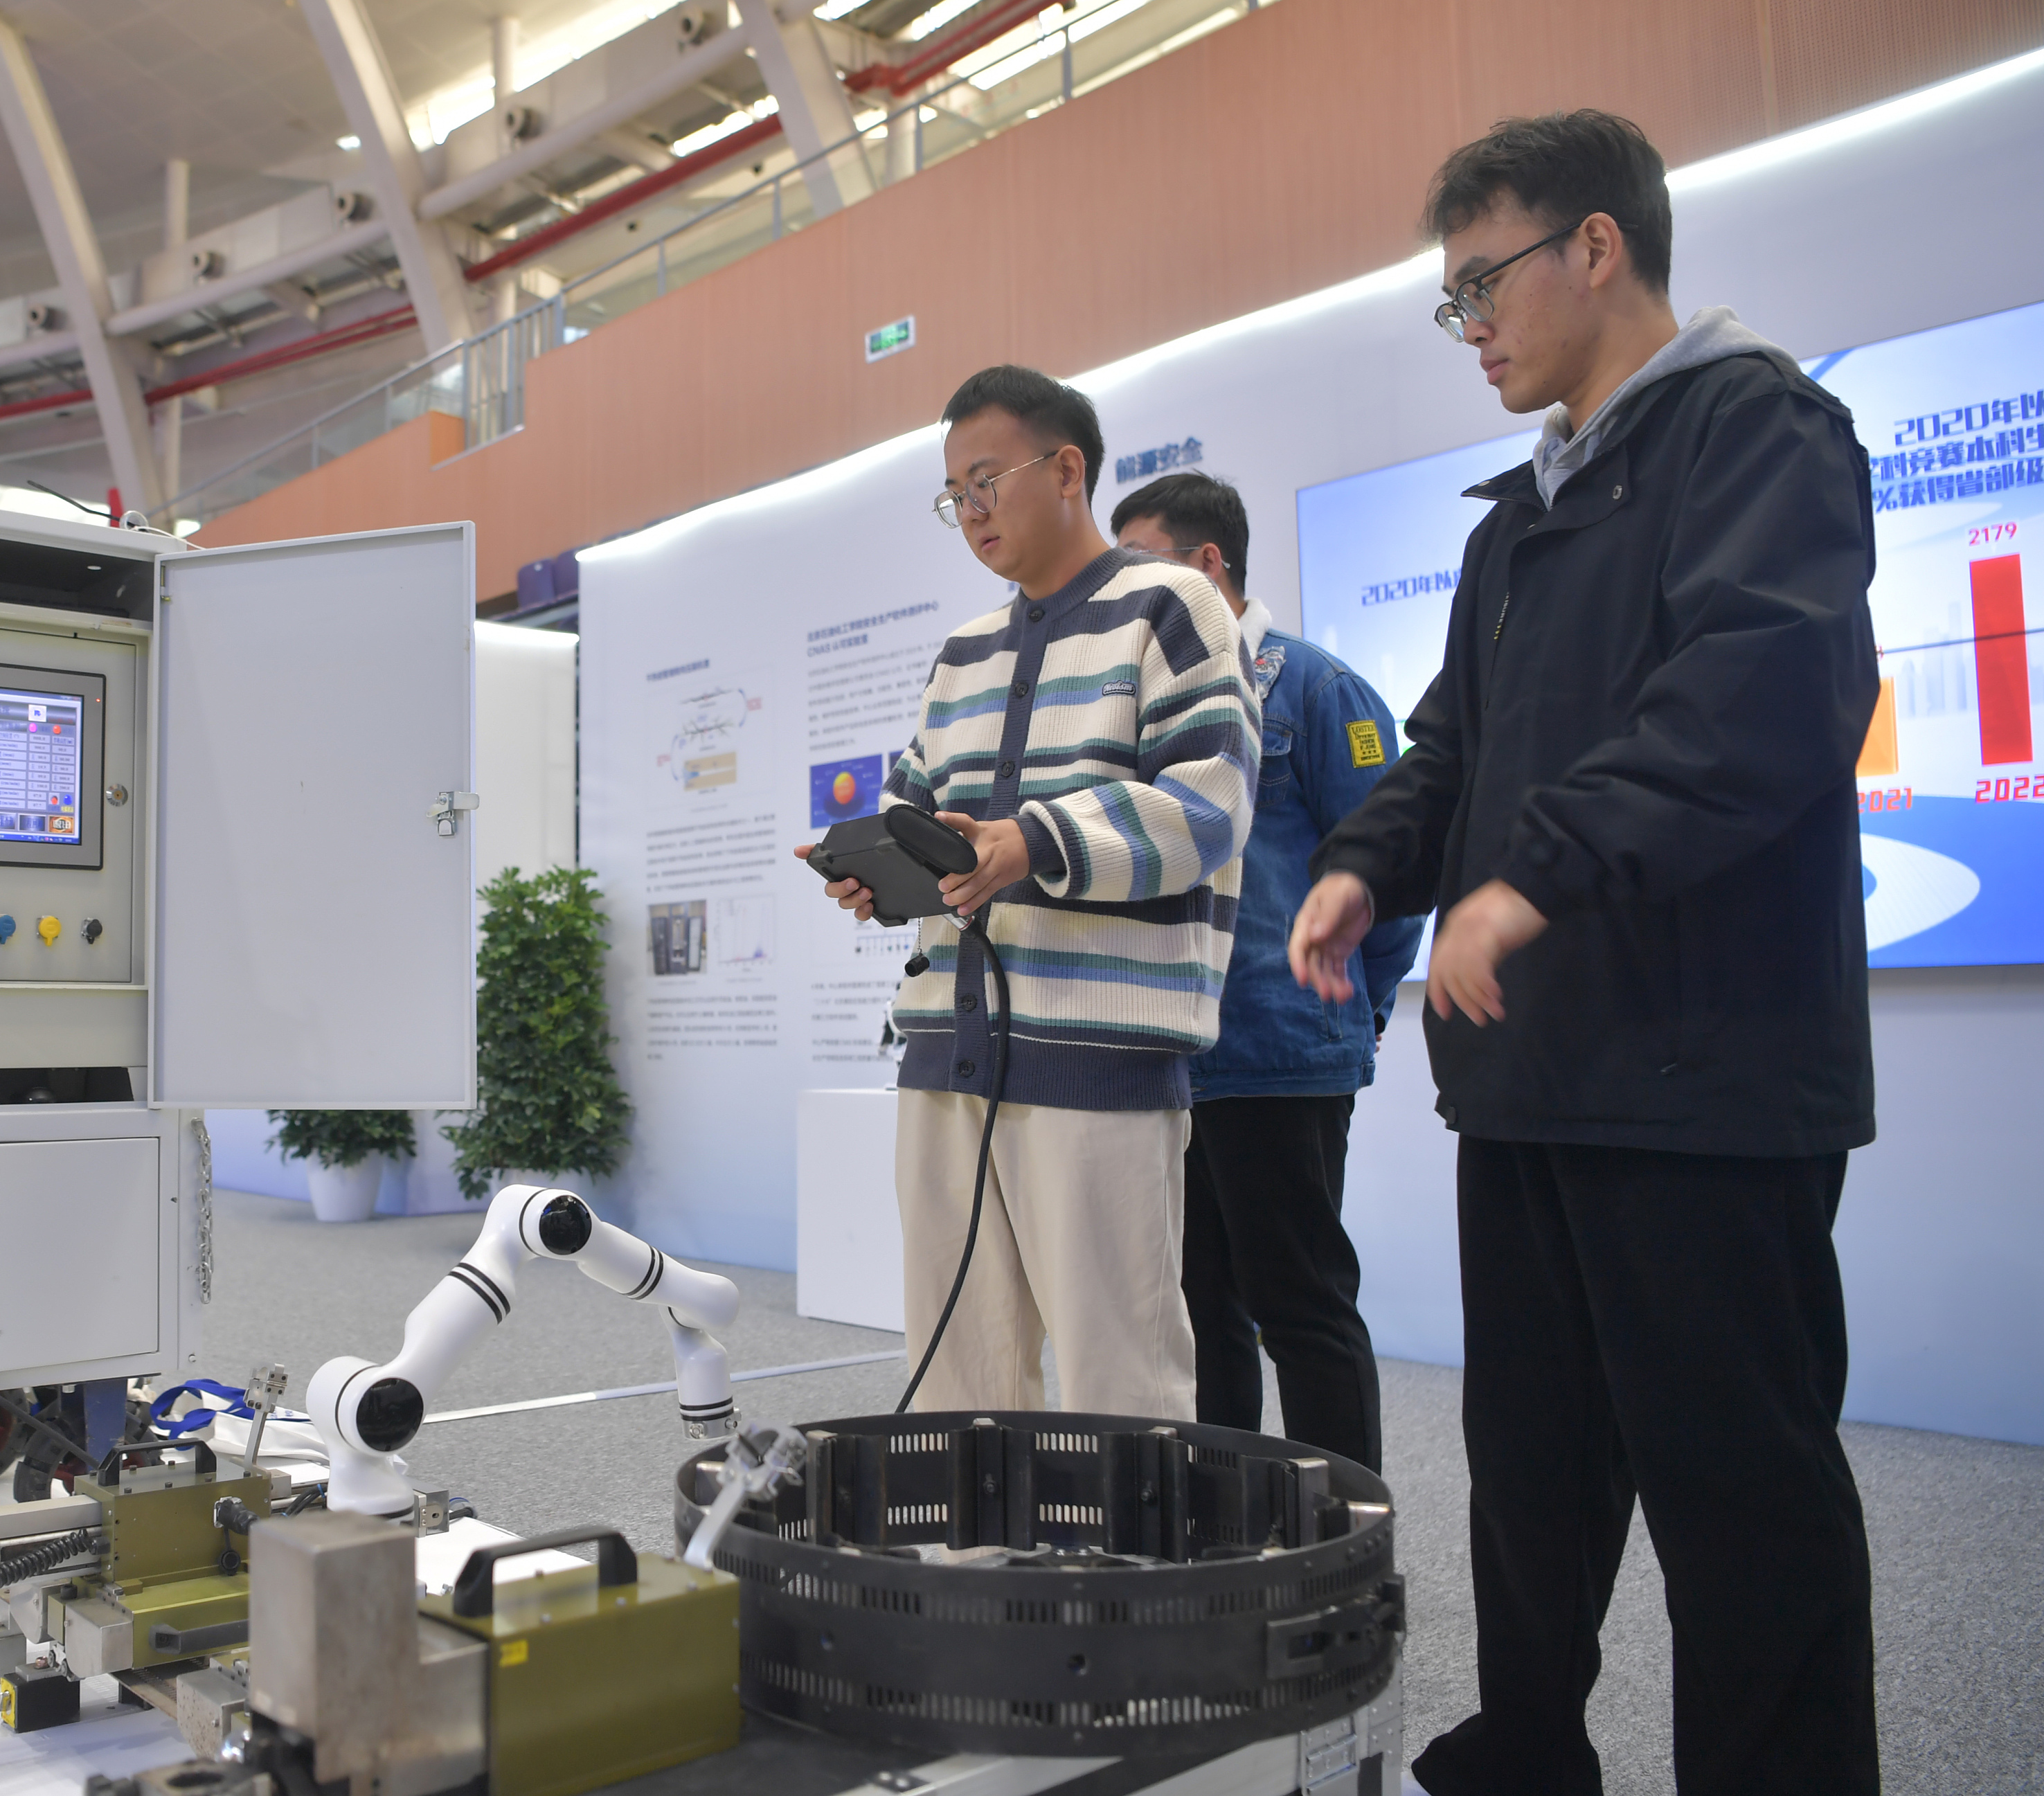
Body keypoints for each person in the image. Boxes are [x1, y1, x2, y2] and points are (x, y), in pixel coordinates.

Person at [1288, 112, 1879, 1794]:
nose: (1467, 326)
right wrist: (1365, 866)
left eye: (1480, 285)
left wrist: (1532, 875)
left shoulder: (1757, 429)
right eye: (1452, 300)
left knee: (1736, 1494)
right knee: (1530, 1468)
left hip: (1702, 1073)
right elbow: (1450, 746)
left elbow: (1752, 699)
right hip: (1531, 1070)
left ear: (1596, 248)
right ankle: (1525, 1751)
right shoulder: (1514, 519)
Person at [795, 365, 1259, 1417]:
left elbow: (1208, 809)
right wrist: (881, 875)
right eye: (953, 492)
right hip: (944, 1061)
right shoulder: (961, 653)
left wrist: (1032, 842)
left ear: (1066, 470)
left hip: (1099, 1057)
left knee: (1120, 1384)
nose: (971, 509)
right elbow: (914, 803)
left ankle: (1125, 1543)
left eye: (986, 479)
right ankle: (973, 1539)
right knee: (956, 1378)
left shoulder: (1172, 606)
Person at [1109, 472, 1420, 1471]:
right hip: (1172, 1056)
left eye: (1141, 567)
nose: (1127, 595)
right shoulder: (1148, 709)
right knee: (1200, 1310)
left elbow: (1394, 873)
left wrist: (1353, 1011)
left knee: (1302, 1304)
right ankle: (1225, 1526)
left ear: (1208, 564)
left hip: (1280, 1053)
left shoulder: (1318, 690)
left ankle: (1343, 1525)